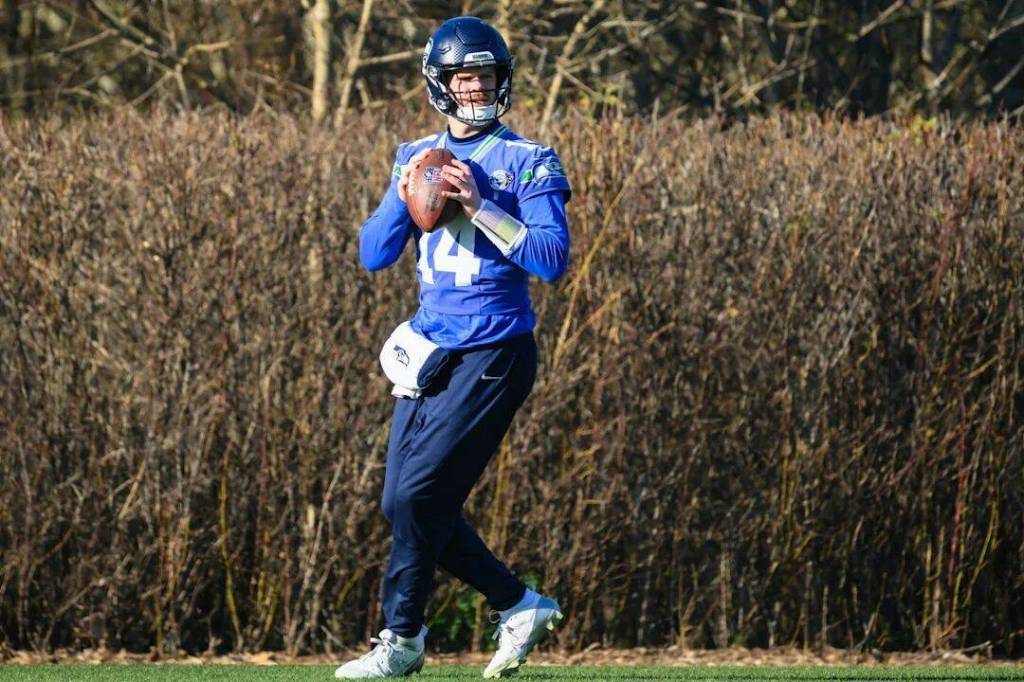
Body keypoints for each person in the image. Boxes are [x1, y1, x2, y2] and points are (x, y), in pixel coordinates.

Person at [334, 15, 571, 681]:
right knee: (403, 503)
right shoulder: (416, 152)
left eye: (487, 76)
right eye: (465, 77)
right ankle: (513, 603)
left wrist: (480, 205)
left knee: (417, 499)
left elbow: (553, 259)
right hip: (431, 350)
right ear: (440, 83)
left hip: (494, 352)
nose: (476, 88)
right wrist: (407, 193)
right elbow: (374, 254)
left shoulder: (529, 159)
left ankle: (403, 638)